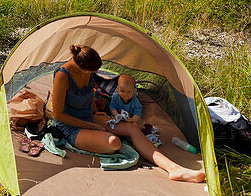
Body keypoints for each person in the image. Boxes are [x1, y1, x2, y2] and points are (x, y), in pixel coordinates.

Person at [51, 44, 205, 183]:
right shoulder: (62, 77)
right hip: (70, 126)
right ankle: (100, 136)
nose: (96, 73)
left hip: (89, 118)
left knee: (133, 128)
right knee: (114, 143)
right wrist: (91, 126)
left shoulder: (86, 71)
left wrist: (96, 113)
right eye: (93, 71)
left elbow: (89, 93)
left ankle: (173, 169)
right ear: (82, 67)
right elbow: (58, 115)